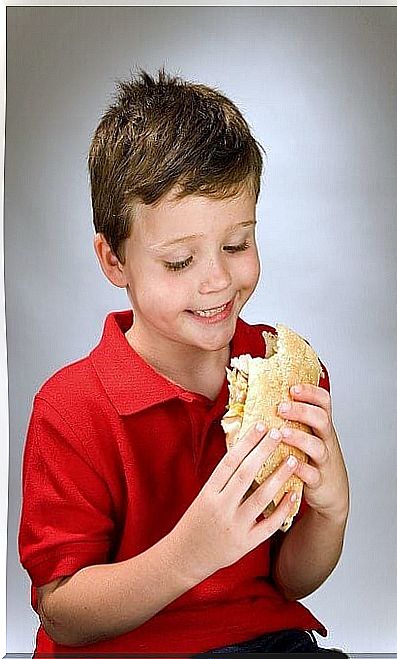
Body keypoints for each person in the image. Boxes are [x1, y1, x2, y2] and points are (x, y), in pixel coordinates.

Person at [18, 68, 350, 656]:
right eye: (179, 262)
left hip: (264, 640)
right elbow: (62, 611)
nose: (218, 280)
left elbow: (289, 578)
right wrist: (189, 554)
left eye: (236, 244)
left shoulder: (288, 374)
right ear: (114, 260)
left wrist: (329, 513)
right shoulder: (72, 408)